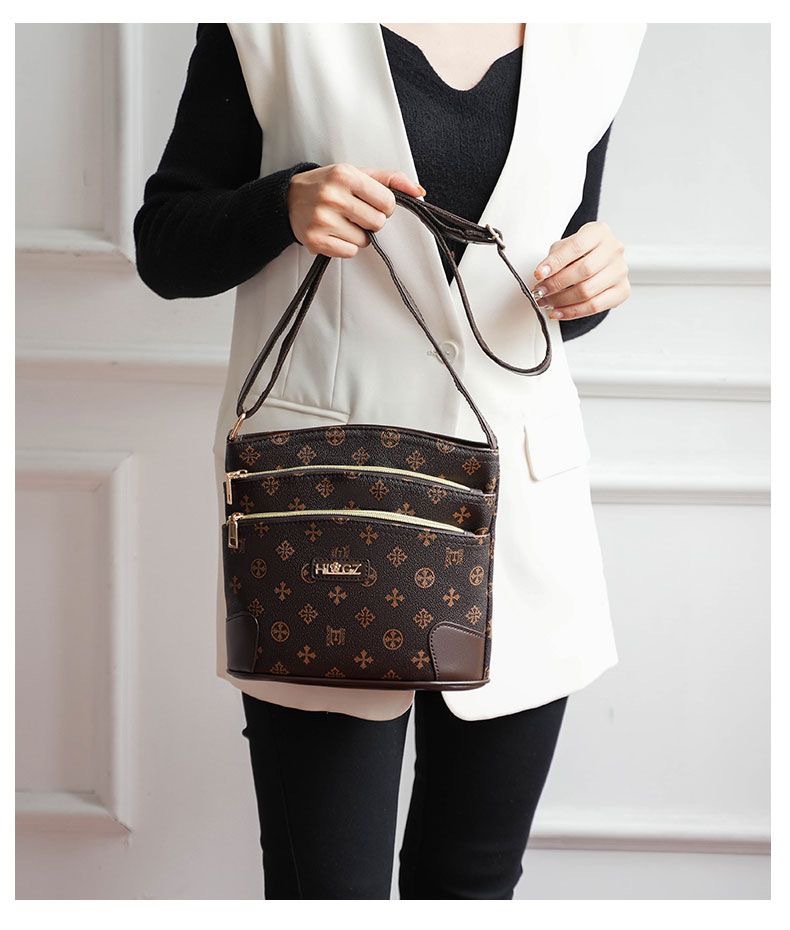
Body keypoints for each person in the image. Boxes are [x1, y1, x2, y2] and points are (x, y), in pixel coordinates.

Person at [134, 22, 645, 899]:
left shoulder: (600, 27)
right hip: (324, 525)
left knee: (473, 886)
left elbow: (537, 278)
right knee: (327, 893)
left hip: (523, 521)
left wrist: (593, 283)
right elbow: (164, 247)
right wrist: (282, 205)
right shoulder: (266, 22)